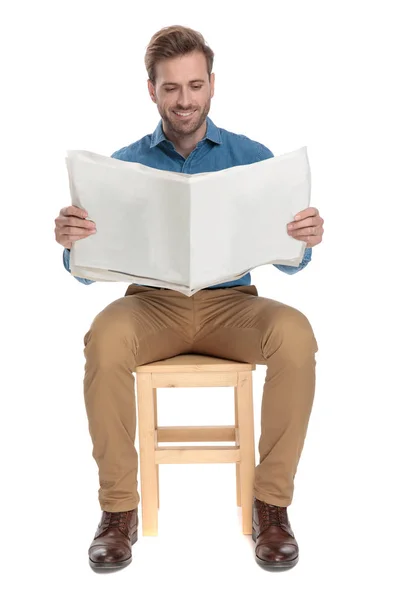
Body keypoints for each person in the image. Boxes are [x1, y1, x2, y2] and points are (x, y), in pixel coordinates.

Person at [54, 25, 324, 572]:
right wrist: (70, 244)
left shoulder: (253, 157)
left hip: (233, 305)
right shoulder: (122, 165)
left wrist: (305, 240)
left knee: (296, 334)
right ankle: (118, 511)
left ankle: (271, 506)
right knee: (104, 338)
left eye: (195, 85)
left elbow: (292, 261)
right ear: (151, 90)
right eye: (171, 88)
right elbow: (85, 272)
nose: (185, 100)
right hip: (152, 306)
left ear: (212, 85)